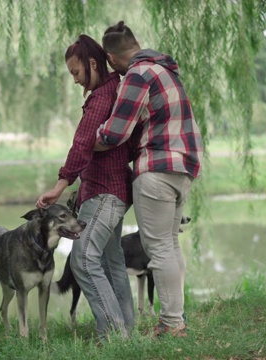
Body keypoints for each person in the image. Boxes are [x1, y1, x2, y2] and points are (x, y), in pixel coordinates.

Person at [94, 21, 203, 338]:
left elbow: (114, 133)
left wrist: (90, 138)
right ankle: (174, 319)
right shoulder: (166, 71)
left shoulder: (138, 74)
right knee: (169, 244)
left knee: (159, 249)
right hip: (182, 167)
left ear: (112, 59)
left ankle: (171, 324)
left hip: (156, 167)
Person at [36, 34, 134, 339]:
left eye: (76, 73)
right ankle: (126, 332)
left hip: (106, 192)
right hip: (113, 188)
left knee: (83, 259)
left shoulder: (103, 96)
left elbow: (82, 143)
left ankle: (115, 335)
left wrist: (61, 184)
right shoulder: (116, 90)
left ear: (93, 64)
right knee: (110, 260)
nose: (76, 81)